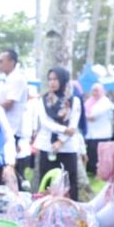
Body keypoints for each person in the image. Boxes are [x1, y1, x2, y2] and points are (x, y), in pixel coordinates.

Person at [31, 66, 82, 200]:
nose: (52, 82)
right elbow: (45, 122)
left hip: (67, 147)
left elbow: (73, 124)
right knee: (47, 182)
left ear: (63, 80)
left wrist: (61, 141)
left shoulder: (74, 101)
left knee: (69, 183)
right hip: (48, 146)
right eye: (50, 79)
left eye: (56, 79)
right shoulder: (43, 100)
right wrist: (63, 130)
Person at [0, 48, 32, 185]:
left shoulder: (17, 79)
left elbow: (9, 103)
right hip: (3, 128)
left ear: (12, 62)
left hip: (11, 129)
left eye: (1, 61)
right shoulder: (7, 79)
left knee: (10, 167)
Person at [83, 82, 114, 176]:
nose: (94, 93)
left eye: (96, 90)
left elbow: (92, 117)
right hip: (91, 134)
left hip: (102, 133)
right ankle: (92, 171)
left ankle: (101, 172)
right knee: (91, 153)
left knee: (100, 154)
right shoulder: (89, 102)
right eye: (93, 91)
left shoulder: (105, 102)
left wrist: (83, 117)